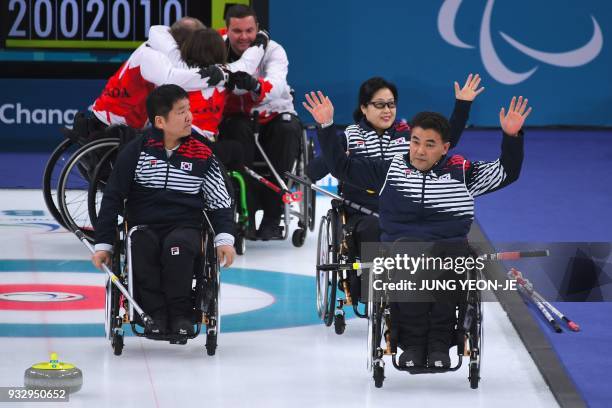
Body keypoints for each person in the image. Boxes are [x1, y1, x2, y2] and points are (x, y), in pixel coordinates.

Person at [303, 90, 530, 368]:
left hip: (448, 249)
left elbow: (507, 172)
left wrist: (511, 138)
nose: (420, 150)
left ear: (445, 148)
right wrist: (325, 127)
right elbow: (342, 166)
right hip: (401, 249)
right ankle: (411, 343)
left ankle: (438, 345)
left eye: (430, 144)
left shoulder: (463, 173)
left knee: (451, 263)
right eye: (415, 142)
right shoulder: (391, 169)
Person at [305, 75, 484, 300]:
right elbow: (315, 171)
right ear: (363, 108)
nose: (387, 110)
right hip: (362, 212)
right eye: (379, 105)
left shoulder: (409, 134)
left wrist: (462, 105)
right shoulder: (350, 137)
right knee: (375, 228)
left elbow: (446, 141)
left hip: (403, 209)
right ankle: (373, 293)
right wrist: (329, 135)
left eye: (391, 104)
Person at [91, 85, 236, 336]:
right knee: (142, 245)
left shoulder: (202, 154)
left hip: (185, 226)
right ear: (160, 121)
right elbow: (113, 197)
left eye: (189, 110)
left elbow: (220, 200)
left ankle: (180, 315)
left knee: (177, 248)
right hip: (143, 226)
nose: (190, 117)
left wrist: (224, 239)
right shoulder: (136, 151)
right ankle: (154, 314)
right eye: (181, 112)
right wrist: (104, 244)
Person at [218, 4, 301, 240]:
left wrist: (256, 86)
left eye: (249, 30)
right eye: (237, 31)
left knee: (287, 130)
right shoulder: (217, 50)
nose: (244, 36)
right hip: (237, 117)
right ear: (227, 29)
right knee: (235, 131)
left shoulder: (274, 50)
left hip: (274, 112)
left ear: (257, 29)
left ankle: (273, 218)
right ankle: (247, 213)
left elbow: (277, 84)